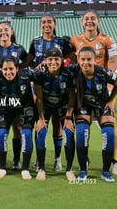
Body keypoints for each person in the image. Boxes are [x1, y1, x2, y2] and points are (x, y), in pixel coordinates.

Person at [70, 10, 117, 175]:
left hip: (103, 88)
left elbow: (113, 62)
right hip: (83, 90)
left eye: (93, 18)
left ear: (98, 21)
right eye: (86, 19)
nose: (89, 21)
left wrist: (106, 83)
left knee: (110, 124)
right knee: (84, 124)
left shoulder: (108, 40)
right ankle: (84, 160)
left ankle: (114, 161)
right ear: (82, 22)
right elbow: (71, 63)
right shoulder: (75, 40)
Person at [25, 15, 75, 172]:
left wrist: (63, 66)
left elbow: (73, 57)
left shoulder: (61, 41)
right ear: (40, 25)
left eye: (49, 22)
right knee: (40, 123)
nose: (47, 25)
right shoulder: (35, 42)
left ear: (55, 24)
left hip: (59, 87)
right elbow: (30, 61)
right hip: (42, 85)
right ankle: (38, 160)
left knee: (57, 123)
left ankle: (57, 158)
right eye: (44, 22)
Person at [0, 20, 28, 170]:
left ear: (11, 32)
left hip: (16, 93)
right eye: (0, 30)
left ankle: (16, 161)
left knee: (17, 127)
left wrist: (20, 70)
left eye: (6, 30)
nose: (3, 33)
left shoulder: (18, 48)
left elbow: (29, 59)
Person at [33, 48, 76, 181]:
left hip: (62, 105)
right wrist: (40, 119)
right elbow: (39, 98)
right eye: (50, 59)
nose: (53, 62)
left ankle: (69, 169)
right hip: (45, 105)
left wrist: (69, 118)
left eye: (56, 59)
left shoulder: (67, 74)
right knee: (41, 132)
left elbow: (71, 98)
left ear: (61, 60)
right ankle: (41, 167)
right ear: (45, 61)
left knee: (69, 132)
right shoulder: (40, 74)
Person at [0, 56, 35, 180]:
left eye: (11, 68)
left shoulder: (27, 76)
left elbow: (42, 75)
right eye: (5, 69)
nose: (8, 72)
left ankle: (24, 168)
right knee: (1, 134)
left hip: (25, 107)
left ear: (17, 68)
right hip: (6, 108)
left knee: (26, 134)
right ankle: (2, 167)